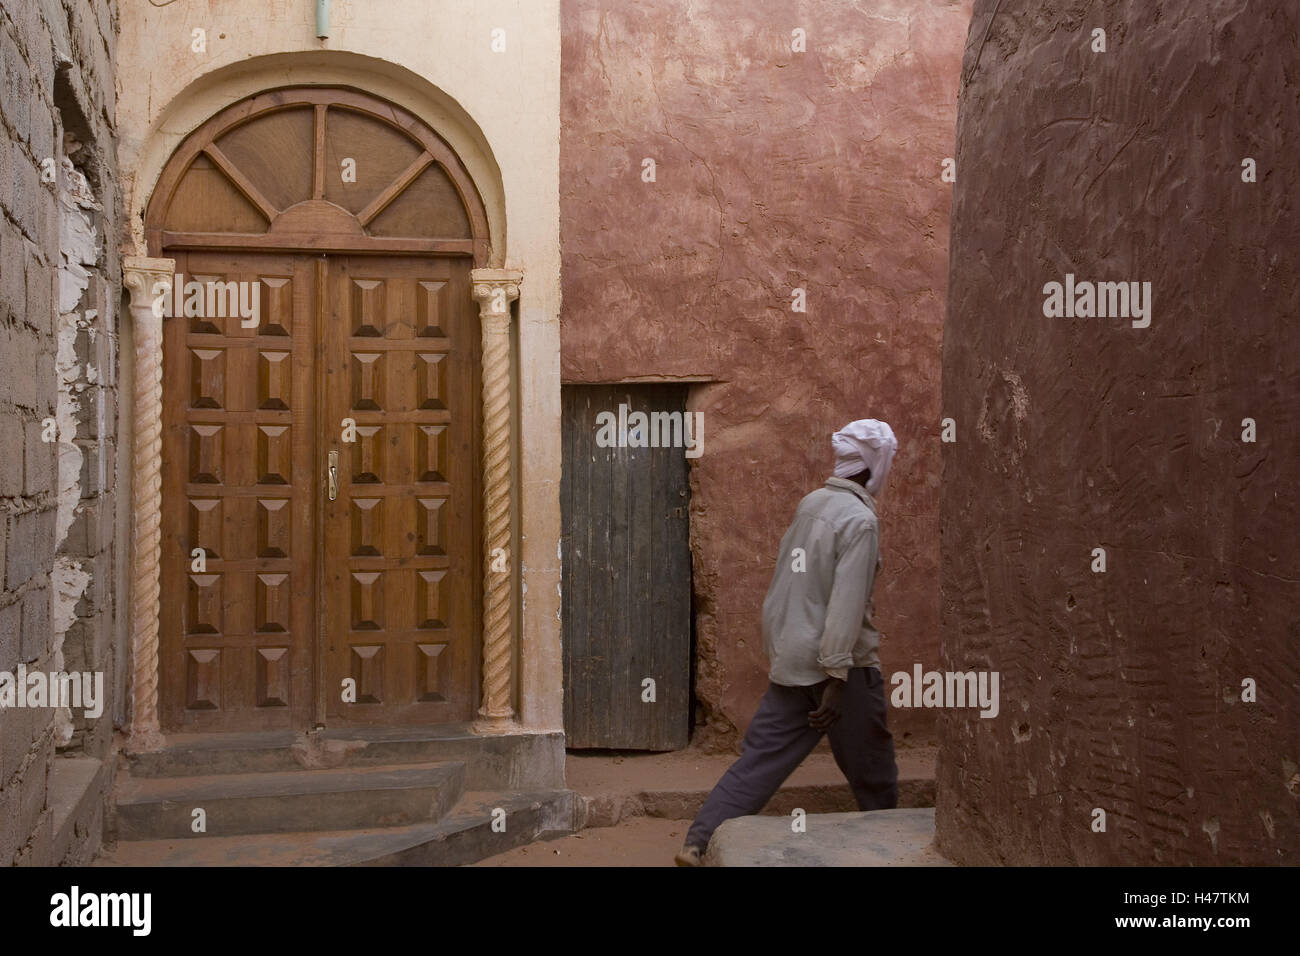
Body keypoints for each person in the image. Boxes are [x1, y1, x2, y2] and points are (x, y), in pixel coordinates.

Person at [675, 419, 900, 866]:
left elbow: (788, 585)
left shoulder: (812, 503)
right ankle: (893, 841)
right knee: (873, 771)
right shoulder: (860, 520)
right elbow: (846, 605)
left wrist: (783, 648)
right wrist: (836, 676)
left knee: (760, 762)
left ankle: (697, 842)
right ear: (875, 464)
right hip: (841, 668)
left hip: (793, 657)